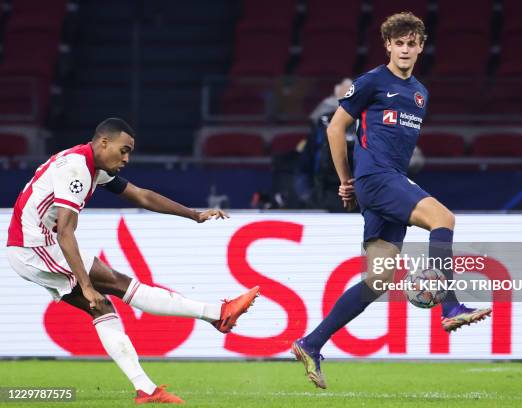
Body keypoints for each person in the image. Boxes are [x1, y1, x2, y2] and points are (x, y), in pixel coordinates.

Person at [292, 12, 491, 389]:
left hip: (387, 183)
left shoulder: (420, 93)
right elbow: (336, 128)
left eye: (410, 43)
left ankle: (311, 343)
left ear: (420, 46)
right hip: (376, 180)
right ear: (387, 46)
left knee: (377, 281)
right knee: (443, 218)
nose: (404, 49)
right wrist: (346, 179)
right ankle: (449, 306)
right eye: (397, 43)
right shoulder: (371, 82)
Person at [5, 118, 260, 404]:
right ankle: (217, 312)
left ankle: (146, 390)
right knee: (117, 285)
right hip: (34, 246)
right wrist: (86, 285)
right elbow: (66, 232)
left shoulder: (93, 167)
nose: (126, 158)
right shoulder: (76, 168)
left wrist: (194, 214)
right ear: (103, 142)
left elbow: (141, 196)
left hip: (35, 246)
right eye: (123, 150)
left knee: (102, 307)